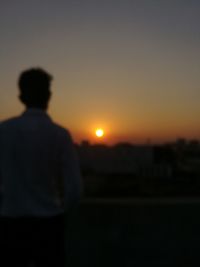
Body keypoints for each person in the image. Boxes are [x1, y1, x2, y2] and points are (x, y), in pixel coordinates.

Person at [0, 68, 82, 266]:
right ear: (48, 95)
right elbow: (74, 190)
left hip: (10, 223)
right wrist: (59, 209)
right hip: (48, 226)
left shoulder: (3, 131)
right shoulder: (60, 135)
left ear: (21, 96)